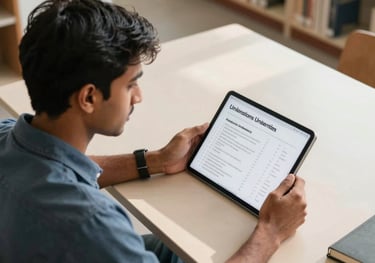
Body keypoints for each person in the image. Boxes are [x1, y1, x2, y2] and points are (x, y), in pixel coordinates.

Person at [0, 0, 307, 262]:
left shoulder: (8, 135)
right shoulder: (92, 223)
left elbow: (58, 167)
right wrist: (271, 233)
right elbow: (82, 212)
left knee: (176, 245)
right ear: (89, 97)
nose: (138, 96)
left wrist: (157, 160)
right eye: (131, 84)